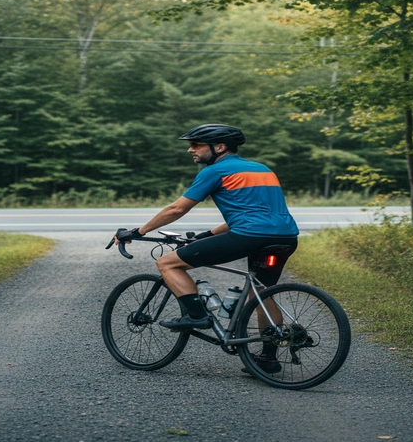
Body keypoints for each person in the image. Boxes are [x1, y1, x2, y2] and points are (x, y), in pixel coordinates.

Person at [112, 124, 299, 371]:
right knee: (261, 293)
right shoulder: (263, 170)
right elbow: (254, 213)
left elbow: (177, 209)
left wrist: (138, 231)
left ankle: (196, 316)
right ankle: (268, 357)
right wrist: (207, 235)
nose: (191, 150)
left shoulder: (215, 171)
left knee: (167, 263)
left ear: (219, 147)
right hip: (286, 237)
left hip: (249, 236)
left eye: (196, 145)